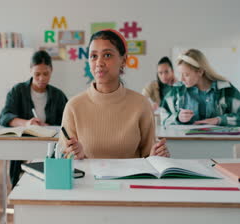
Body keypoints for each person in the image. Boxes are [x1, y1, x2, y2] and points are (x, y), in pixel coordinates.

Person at [59, 29, 169, 159]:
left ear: (123, 60)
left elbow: (148, 156)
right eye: (93, 56)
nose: (99, 63)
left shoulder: (141, 104)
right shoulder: (73, 106)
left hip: (132, 179)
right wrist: (76, 156)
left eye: (107, 55)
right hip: (87, 179)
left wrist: (156, 155)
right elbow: (63, 158)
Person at [0, 50, 68, 186]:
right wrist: (27, 123)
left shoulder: (58, 95)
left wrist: (49, 127)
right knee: (16, 156)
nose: (41, 78)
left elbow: (68, 121)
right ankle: (15, 187)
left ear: (51, 71)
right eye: (37, 74)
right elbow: (4, 116)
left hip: (50, 143)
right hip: (22, 143)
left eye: (45, 74)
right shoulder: (17, 91)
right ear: (31, 71)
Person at [161, 49, 240, 127]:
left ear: (200, 72)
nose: (181, 79)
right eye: (180, 74)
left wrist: (219, 120)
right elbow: (162, 118)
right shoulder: (177, 91)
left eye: (186, 74)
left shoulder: (225, 90)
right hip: (185, 146)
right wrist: (178, 118)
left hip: (222, 146)